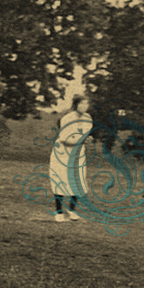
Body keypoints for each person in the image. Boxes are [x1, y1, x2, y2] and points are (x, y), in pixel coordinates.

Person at [50, 94, 92, 222]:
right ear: (75, 104)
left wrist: (86, 139)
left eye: (86, 104)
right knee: (61, 179)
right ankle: (59, 212)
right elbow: (64, 139)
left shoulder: (87, 118)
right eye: (81, 104)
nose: (84, 106)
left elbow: (84, 135)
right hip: (63, 153)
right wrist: (82, 141)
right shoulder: (67, 118)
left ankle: (72, 210)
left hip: (78, 153)